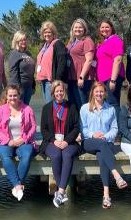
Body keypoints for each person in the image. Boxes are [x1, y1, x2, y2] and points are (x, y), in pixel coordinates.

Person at [80, 81, 128, 209]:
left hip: (107, 143)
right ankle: (116, 175)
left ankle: (106, 195)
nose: (99, 94)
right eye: (97, 91)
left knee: (102, 156)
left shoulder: (111, 109)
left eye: (101, 91)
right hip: (89, 142)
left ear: (105, 93)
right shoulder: (84, 108)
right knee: (101, 146)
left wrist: (105, 136)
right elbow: (83, 129)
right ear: (92, 93)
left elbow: (114, 129)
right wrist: (93, 135)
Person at [39, 80, 80, 208]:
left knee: (67, 155)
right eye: (57, 91)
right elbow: (44, 130)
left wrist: (67, 141)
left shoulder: (72, 106)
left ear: (65, 92)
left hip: (69, 142)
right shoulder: (46, 108)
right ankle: (62, 192)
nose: (59, 93)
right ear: (53, 93)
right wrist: (54, 141)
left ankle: (60, 191)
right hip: (51, 142)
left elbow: (76, 127)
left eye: (61, 90)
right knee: (56, 155)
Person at [0, 85, 37, 201]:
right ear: (6, 97)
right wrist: (8, 141)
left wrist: (25, 139)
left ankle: (17, 186)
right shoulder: (0, 110)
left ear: (19, 96)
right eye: (10, 95)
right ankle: (18, 186)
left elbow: (33, 127)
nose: (13, 98)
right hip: (5, 142)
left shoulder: (27, 109)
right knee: (5, 157)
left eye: (15, 95)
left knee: (27, 156)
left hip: (23, 141)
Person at [95, 19, 125, 111]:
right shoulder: (102, 43)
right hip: (102, 79)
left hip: (111, 77)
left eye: (107, 27)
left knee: (113, 104)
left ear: (111, 28)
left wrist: (113, 80)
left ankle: (117, 125)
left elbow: (118, 60)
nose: (104, 29)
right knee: (106, 104)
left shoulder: (116, 40)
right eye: (102, 27)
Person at [66, 18, 95, 109]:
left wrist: (81, 77)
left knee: (83, 106)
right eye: (75, 27)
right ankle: (76, 123)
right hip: (71, 78)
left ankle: (84, 123)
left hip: (83, 79)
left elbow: (89, 60)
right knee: (73, 106)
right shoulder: (71, 42)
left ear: (84, 29)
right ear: (72, 29)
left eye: (80, 27)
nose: (77, 29)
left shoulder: (87, 40)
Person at [35, 21, 67, 102]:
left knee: (52, 105)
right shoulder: (44, 46)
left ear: (53, 33)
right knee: (48, 106)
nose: (47, 34)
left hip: (51, 81)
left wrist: (57, 81)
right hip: (43, 81)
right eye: (45, 32)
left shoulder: (57, 43)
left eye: (49, 32)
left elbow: (62, 63)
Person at [7, 31, 36, 105]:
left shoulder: (28, 53)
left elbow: (31, 71)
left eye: (25, 39)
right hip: (20, 88)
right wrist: (17, 89)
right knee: (18, 110)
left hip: (28, 87)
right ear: (16, 41)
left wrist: (33, 86)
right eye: (21, 40)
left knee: (26, 109)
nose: (24, 41)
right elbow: (13, 73)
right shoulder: (14, 53)